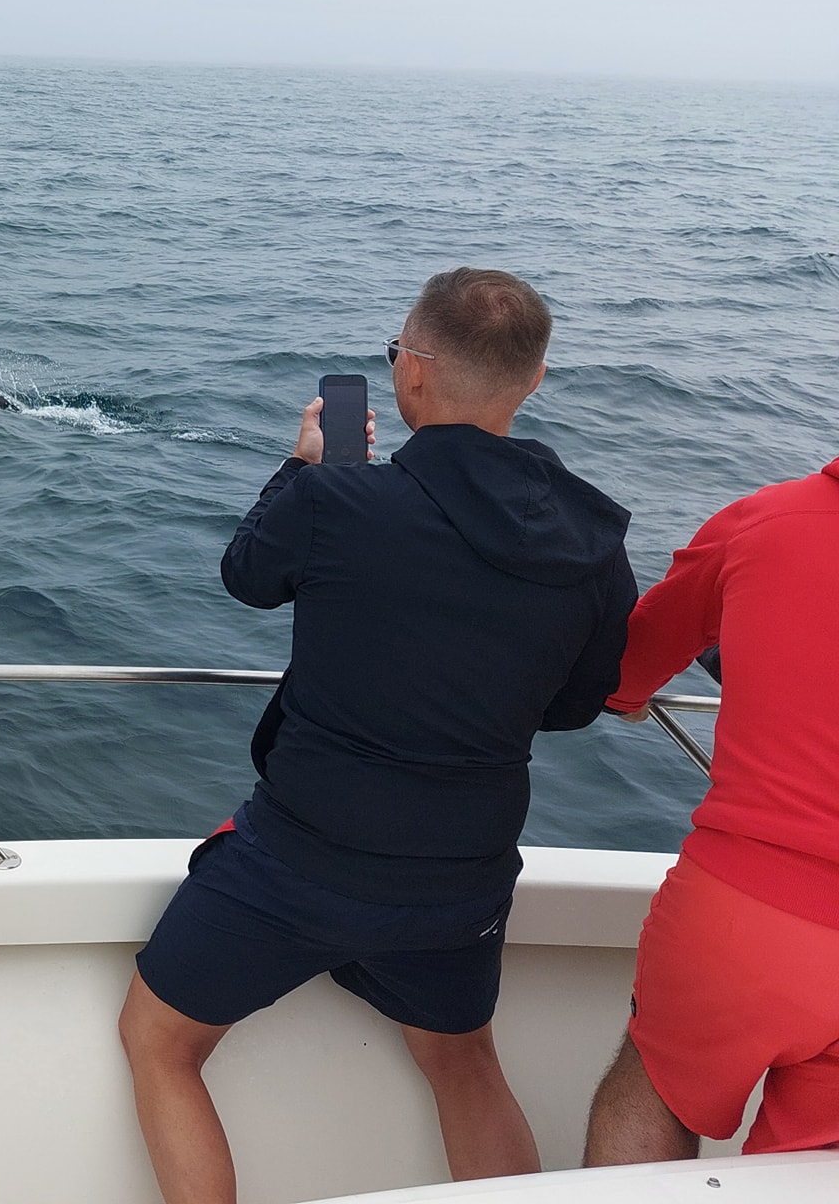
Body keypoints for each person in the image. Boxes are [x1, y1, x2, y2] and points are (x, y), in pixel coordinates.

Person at [119, 267, 637, 1204]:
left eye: (397, 352)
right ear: (534, 381)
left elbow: (245, 574)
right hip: (460, 878)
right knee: (464, 1063)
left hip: (297, 860)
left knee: (159, 1041)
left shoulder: (338, 502)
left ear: (414, 376)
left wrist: (304, 468)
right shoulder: (596, 543)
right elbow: (572, 706)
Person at [584, 457, 839, 1164]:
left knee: (654, 1095)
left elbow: (626, 673)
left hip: (745, 910)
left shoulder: (765, 518)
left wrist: (629, 698)